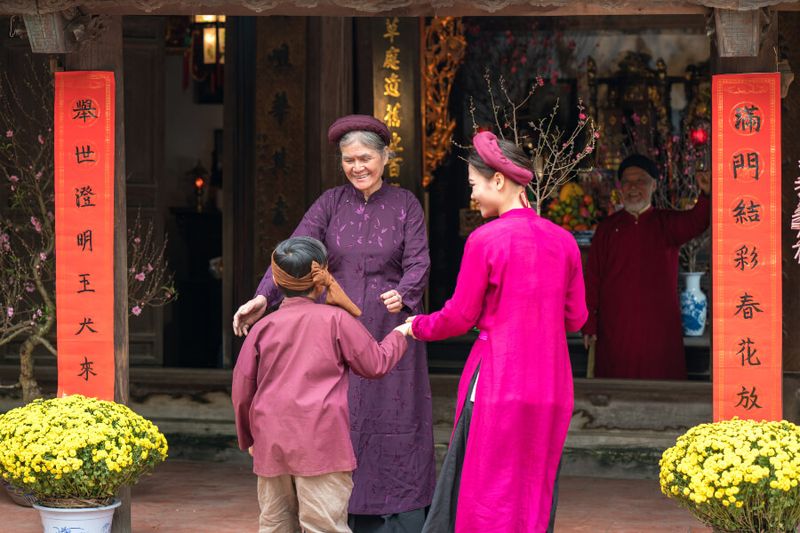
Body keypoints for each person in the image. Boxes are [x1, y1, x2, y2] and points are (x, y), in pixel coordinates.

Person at [232, 115, 435, 531]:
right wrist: (261, 296)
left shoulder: (406, 204)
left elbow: (419, 260)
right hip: (332, 328)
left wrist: (407, 294)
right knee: (337, 411)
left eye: (365, 158)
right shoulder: (329, 203)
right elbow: (294, 252)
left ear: (385, 157)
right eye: (348, 160)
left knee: (391, 417)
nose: (357, 167)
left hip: (387, 322)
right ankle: (335, 510)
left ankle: (394, 510)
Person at [409, 131, 588, 532]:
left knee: (486, 491)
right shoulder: (565, 242)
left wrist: (416, 327)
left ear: (499, 181)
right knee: (533, 489)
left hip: (497, 381)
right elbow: (576, 319)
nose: (471, 195)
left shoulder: (485, 240)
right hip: (551, 386)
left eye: (474, 185)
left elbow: (458, 316)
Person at [232, 236, 414, 533]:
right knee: (324, 528)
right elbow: (375, 364)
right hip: (322, 444)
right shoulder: (336, 320)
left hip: (272, 443)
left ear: (276, 283)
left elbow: (241, 392)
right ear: (322, 278)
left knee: (275, 527)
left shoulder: (262, 328)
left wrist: (250, 439)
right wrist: (401, 333)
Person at [582, 154, 711, 380]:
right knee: (615, 389)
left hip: (659, 328)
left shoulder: (667, 223)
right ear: (620, 188)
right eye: (627, 182)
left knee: (661, 385)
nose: (633, 188)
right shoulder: (607, 229)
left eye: (641, 181)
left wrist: (706, 194)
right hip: (615, 326)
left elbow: (697, 221)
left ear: (653, 185)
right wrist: (589, 323)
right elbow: (592, 278)